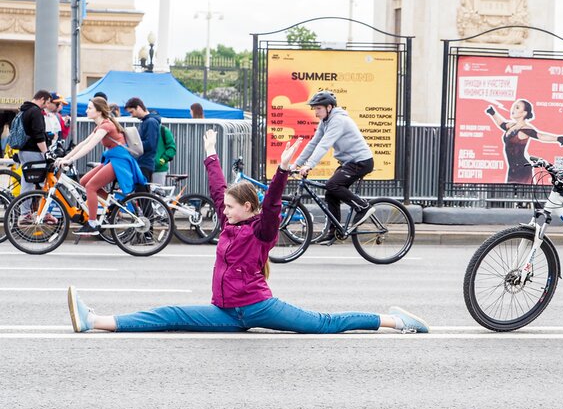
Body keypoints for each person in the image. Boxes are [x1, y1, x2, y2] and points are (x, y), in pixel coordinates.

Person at [66, 129, 429, 335]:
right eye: (224, 207)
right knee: (167, 314)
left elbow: (271, 203)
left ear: (249, 209)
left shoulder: (262, 229)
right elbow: (217, 186)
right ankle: (94, 320)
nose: (222, 210)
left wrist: (284, 170)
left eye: (230, 207)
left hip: (258, 308)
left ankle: (397, 321)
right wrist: (210, 153)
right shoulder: (229, 223)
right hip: (224, 312)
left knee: (324, 324)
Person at [292, 91, 376, 242]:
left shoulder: (338, 120)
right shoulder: (325, 121)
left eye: (318, 108)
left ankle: (363, 207)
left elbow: (324, 145)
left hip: (361, 161)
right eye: (314, 109)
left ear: (329, 107)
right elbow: (314, 143)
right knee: (331, 193)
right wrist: (296, 164)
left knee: (333, 185)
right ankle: (335, 232)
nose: (315, 112)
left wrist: (309, 165)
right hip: (350, 162)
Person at [55, 97, 146, 235]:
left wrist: (71, 160)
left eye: (90, 108)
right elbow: (83, 143)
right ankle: (112, 205)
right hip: (112, 159)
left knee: (91, 187)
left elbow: (90, 147)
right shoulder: (101, 125)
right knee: (84, 181)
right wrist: (65, 158)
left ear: (98, 111)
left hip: (119, 161)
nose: (86, 110)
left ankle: (92, 223)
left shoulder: (106, 126)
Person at [485, 98, 563, 184]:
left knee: (524, 194)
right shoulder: (511, 125)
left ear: (524, 113)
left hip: (522, 169)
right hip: (512, 169)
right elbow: (501, 124)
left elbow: (540, 136)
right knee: (511, 193)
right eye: (514, 106)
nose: (513, 109)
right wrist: (493, 113)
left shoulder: (526, 129)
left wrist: (558, 138)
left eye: (517, 107)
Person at [16, 90, 52, 218]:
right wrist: (46, 153)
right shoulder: (35, 112)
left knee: (27, 183)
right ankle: (45, 213)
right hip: (34, 152)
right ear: (42, 99)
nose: (47, 106)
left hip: (23, 151)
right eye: (47, 102)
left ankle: (25, 214)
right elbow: (38, 135)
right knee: (45, 183)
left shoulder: (23, 110)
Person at [124, 97, 162, 181]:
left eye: (132, 112)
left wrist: (133, 146)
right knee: (142, 193)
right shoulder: (147, 121)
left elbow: (150, 144)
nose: (132, 115)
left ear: (138, 107)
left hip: (145, 163)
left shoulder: (150, 122)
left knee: (142, 193)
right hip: (143, 163)